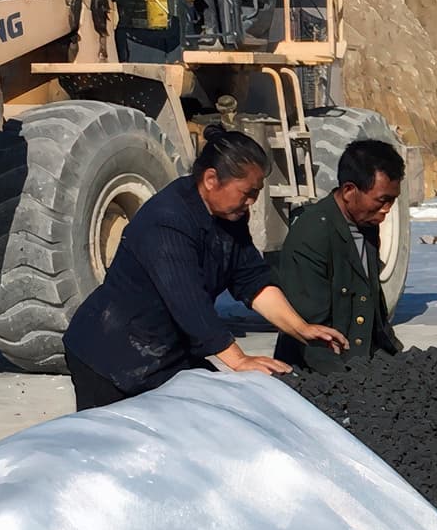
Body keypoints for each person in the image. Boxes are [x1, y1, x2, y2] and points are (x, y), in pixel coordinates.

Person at [63, 128, 341, 409]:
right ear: (211, 180)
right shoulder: (167, 221)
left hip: (166, 355)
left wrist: (301, 328)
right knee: (113, 445)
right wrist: (240, 361)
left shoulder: (230, 217)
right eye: (248, 193)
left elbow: (252, 278)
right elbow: (189, 305)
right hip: (110, 355)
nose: (251, 203)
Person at [266, 137, 406, 371]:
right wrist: (344, 383)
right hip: (319, 370)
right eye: (382, 200)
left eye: (392, 201)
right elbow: (310, 327)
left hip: (359, 366)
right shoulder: (313, 232)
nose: (387, 209)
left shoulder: (366, 225)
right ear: (350, 190)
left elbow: (371, 305)